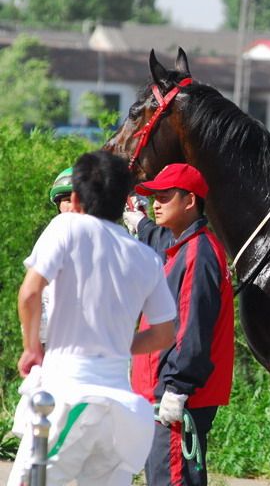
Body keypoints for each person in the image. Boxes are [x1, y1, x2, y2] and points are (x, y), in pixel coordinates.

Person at [8, 151, 177, 486]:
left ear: (75, 197)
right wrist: (112, 341)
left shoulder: (66, 227)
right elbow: (163, 335)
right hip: (123, 412)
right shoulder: (144, 256)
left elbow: (29, 293)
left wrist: (32, 349)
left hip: (70, 396)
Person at [123, 163, 234, 486]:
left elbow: (192, 326)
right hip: (163, 392)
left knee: (171, 480)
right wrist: (141, 223)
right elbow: (159, 241)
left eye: (165, 196)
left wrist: (177, 387)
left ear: (190, 201)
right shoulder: (185, 245)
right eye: (154, 197)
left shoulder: (197, 252)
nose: (156, 203)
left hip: (175, 395)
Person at [38, 167, 77, 349]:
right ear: (58, 205)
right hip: (58, 346)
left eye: (78, 199)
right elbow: (36, 295)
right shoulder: (52, 238)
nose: (72, 206)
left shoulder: (109, 240)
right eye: (67, 200)